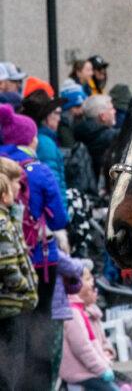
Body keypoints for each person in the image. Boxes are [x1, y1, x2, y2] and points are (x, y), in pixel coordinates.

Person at [0, 105, 71, 389]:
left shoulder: (3, 166)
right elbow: (60, 218)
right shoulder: (39, 171)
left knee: (10, 334)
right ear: (29, 139)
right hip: (39, 262)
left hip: (7, 265)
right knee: (39, 330)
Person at [0, 156, 38, 391]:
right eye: (15, 183)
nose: (19, 188)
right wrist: (25, 286)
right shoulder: (2, 224)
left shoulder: (8, 219)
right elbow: (7, 263)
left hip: (14, 304)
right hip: (11, 304)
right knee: (9, 371)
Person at [60, 264, 119, 391]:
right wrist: (102, 369)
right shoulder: (72, 313)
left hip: (95, 370)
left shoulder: (87, 310)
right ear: (75, 284)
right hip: (83, 374)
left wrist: (106, 356)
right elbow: (83, 348)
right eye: (87, 279)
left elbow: (101, 342)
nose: (93, 283)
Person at [20, 89, 67, 198]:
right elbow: (54, 185)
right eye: (56, 113)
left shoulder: (38, 139)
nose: (59, 119)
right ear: (46, 118)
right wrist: (61, 213)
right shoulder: (45, 144)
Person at [73, 95, 120, 178]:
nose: (114, 111)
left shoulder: (80, 133)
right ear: (103, 116)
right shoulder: (110, 137)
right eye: (111, 109)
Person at [58, 81, 88, 148]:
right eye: (77, 106)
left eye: (82, 106)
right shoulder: (63, 126)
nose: (81, 111)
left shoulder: (83, 120)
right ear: (67, 108)